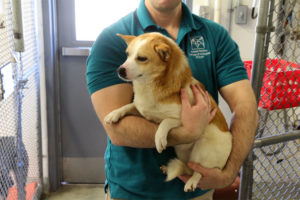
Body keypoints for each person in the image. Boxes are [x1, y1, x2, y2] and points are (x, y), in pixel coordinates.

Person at [86, 0, 259, 199]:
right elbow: (117, 129)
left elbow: (245, 106)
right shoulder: (110, 41)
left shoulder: (215, 36)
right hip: (133, 192)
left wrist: (228, 174)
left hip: (198, 191)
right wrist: (186, 133)